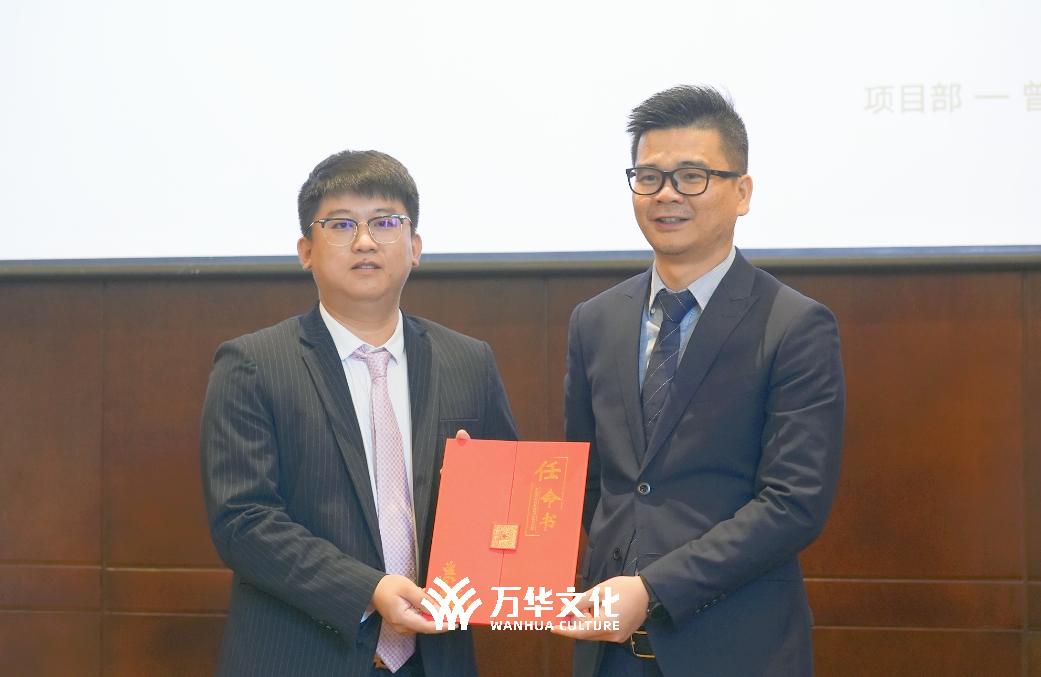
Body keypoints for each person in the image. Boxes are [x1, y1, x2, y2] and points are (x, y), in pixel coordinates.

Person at [551, 86, 845, 677]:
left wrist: (652, 589)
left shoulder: (794, 324)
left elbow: (793, 504)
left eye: (692, 176)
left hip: (734, 648)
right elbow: (589, 479)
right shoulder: (594, 320)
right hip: (608, 651)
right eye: (649, 177)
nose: (667, 194)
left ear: (742, 192)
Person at [200, 150, 518, 677]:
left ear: (415, 247)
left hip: (434, 657)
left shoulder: (468, 361)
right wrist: (369, 589)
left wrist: (478, 492)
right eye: (342, 224)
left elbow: (508, 502)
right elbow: (243, 521)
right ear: (306, 250)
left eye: (386, 223)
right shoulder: (253, 364)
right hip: (300, 656)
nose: (366, 241)